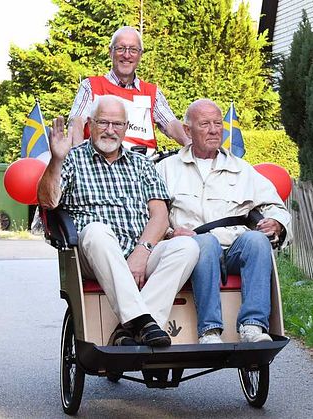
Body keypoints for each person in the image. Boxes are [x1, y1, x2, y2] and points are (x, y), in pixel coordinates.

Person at [38, 95, 199, 347]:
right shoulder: (72, 159)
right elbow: (48, 201)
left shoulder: (142, 164)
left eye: (117, 124)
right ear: (91, 124)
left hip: (140, 251)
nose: (110, 130)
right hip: (94, 254)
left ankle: (132, 328)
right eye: (103, 122)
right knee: (97, 231)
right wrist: (56, 160)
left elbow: (159, 215)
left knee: (187, 247)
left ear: (126, 128)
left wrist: (141, 252)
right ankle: (140, 321)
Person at [155, 99, 292, 344]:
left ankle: (253, 326)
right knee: (205, 243)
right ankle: (209, 331)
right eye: (205, 124)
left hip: (233, 249)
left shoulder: (242, 169)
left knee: (257, 240)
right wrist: (169, 233)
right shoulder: (166, 169)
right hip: (190, 251)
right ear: (187, 131)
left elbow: (275, 206)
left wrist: (276, 223)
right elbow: (150, 215)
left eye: (218, 123)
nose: (214, 129)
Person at [67, 26, 190, 153]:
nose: (126, 55)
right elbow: (75, 123)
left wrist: (190, 144)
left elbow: (171, 124)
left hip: (144, 164)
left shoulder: (152, 93)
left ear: (140, 55)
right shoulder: (90, 86)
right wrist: (77, 155)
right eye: (120, 48)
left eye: (133, 50)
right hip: (100, 164)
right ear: (110, 52)